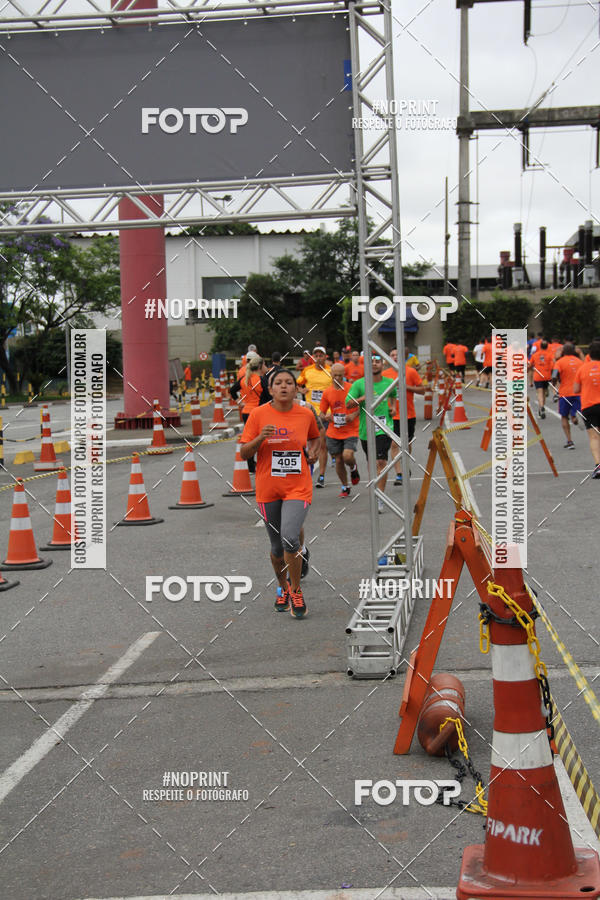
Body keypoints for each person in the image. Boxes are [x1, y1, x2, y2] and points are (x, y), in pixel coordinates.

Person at [240, 369, 321, 617]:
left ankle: (295, 590)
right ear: (270, 389)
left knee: (290, 539)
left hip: (298, 486)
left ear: (296, 389)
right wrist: (260, 439)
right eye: (278, 383)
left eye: (289, 383)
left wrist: (313, 453)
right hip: (269, 488)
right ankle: (282, 586)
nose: (284, 386)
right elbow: (244, 453)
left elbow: (315, 438)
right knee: (277, 548)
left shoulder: (305, 414)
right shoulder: (258, 414)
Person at [346, 353, 396, 513]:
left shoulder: (389, 382)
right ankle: (376, 489)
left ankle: (380, 497)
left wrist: (393, 408)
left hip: (384, 427)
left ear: (383, 365)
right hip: (366, 430)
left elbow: (393, 396)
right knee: (372, 464)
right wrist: (362, 398)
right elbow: (348, 404)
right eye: (371, 361)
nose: (374, 364)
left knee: (381, 462)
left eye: (377, 361)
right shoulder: (359, 384)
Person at [383, 349, 424, 486]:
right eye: (392, 355)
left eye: (397, 355)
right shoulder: (384, 374)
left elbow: (422, 390)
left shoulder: (411, 372)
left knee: (406, 444)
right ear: (389, 358)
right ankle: (399, 473)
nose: (395, 357)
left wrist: (406, 387)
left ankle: (405, 465)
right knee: (394, 444)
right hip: (391, 415)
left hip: (408, 414)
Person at [320, 363, 360, 497]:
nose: (337, 378)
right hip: (334, 431)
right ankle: (345, 486)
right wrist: (326, 417)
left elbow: (362, 406)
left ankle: (353, 467)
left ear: (344, 375)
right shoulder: (327, 392)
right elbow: (321, 413)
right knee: (338, 460)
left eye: (340, 376)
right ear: (331, 375)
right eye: (335, 375)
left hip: (351, 429)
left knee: (347, 456)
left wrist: (353, 415)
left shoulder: (351, 388)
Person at [296, 346, 332, 488]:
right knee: (305, 445)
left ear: (325, 357)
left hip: (325, 414)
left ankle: (321, 475)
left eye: (320, 355)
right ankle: (305, 474)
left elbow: (338, 389)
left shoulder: (330, 371)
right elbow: (297, 383)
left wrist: (332, 411)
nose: (318, 358)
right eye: (315, 355)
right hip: (309, 413)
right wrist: (301, 390)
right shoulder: (307, 371)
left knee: (322, 446)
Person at [230, 356, 268, 472]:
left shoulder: (244, 379)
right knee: (262, 438)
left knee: (249, 438)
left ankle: (251, 465)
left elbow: (232, 390)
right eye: (264, 364)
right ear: (260, 366)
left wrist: (239, 402)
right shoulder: (262, 380)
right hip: (258, 412)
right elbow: (268, 396)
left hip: (246, 411)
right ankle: (263, 462)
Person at [572, 340, 600, 479]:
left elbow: (576, 389)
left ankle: (598, 465)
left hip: (589, 405)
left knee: (594, 436)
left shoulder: (582, 368)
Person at [552, 344, 583, 448]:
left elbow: (554, 375)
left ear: (563, 352)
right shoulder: (579, 362)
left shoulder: (559, 362)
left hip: (565, 393)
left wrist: (554, 383)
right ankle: (574, 416)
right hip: (578, 392)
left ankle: (569, 441)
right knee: (576, 410)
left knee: (564, 416)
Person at [528, 339, 554, 418]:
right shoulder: (550, 355)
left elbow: (530, 365)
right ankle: (542, 407)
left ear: (540, 346)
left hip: (538, 376)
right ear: (547, 347)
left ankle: (541, 406)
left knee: (540, 392)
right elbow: (553, 365)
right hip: (547, 376)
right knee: (544, 392)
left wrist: (527, 370)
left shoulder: (535, 355)